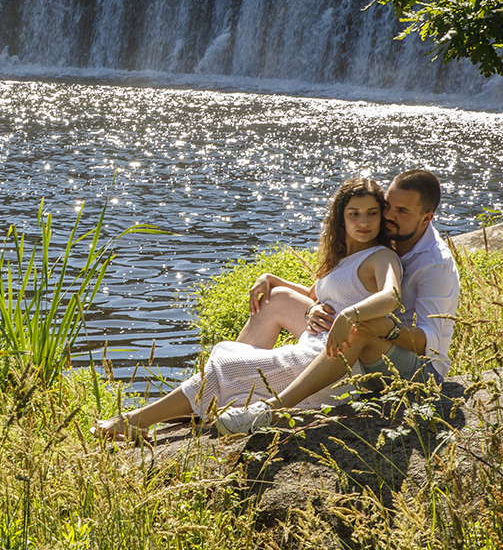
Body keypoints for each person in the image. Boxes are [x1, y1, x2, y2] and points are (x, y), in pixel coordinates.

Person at [94, 177, 403, 440]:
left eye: (372, 214)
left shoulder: (380, 257)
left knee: (224, 367)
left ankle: (133, 421)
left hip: (333, 358)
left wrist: (350, 315)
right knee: (268, 305)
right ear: (341, 218)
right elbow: (314, 294)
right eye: (354, 214)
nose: (363, 222)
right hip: (316, 340)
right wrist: (270, 278)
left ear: (380, 217)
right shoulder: (340, 257)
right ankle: (210, 399)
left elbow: (392, 296)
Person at [213, 168, 460, 433]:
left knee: (362, 325)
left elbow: (429, 345)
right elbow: (329, 291)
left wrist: (385, 327)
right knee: (277, 299)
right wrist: (292, 292)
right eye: (388, 206)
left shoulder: (436, 266)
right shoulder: (387, 233)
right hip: (363, 346)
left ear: (426, 218)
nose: (389, 216)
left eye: (402, 212)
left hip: (415, 367)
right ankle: (225, 382)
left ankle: (271, 410)